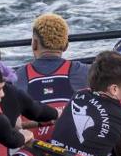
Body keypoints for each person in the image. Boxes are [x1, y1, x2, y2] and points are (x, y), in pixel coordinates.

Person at [13, 13, 89, 141]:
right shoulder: (85, 71)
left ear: (34, 44)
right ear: (66, 46)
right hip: (73, 148)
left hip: (34, 149)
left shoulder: (17, 77)